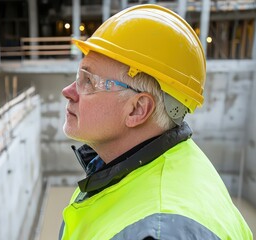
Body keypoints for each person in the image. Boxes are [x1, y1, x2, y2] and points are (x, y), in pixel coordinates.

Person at [59, 4, 253, 240]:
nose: (68, 91)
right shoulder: (164, 164)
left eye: (88, 81)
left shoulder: (159, 231)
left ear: (137, 109)